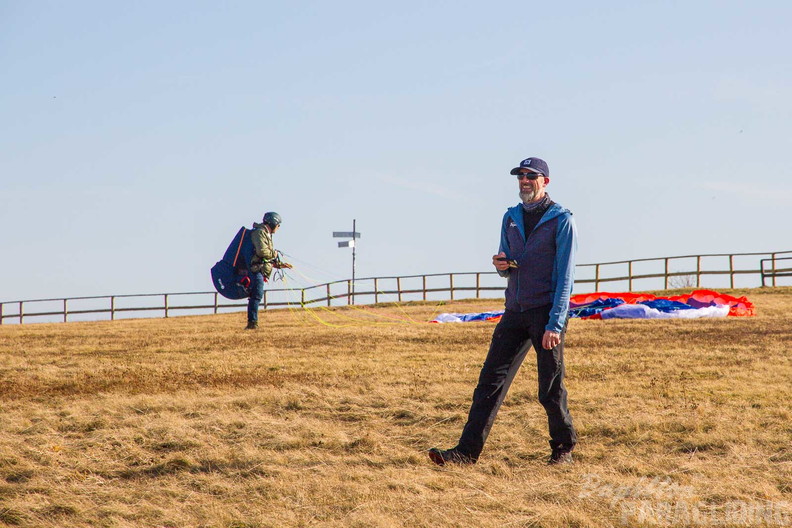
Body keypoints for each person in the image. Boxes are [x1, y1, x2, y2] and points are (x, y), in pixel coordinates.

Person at [428, 156, 578, 465]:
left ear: (545, 181)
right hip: (515, 311)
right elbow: (506, 262)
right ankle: (466, 453)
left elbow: (566, 275)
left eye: (531, 176)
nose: (524, 180)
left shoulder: (561, 220)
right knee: (488, 384)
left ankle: (563, 450)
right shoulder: (510, 217)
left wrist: (555, 322)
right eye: (521, 176)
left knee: (549, 387)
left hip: (546, 313)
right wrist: (501, 266)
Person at [246, 211, 292, 330]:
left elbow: (267, 258)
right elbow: (262, 252)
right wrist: (274, 253)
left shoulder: (266, 234)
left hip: (261, 269)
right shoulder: (259, 233)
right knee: (256, 295)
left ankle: (253, 322)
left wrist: (280, 265)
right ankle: (252, 323)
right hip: (256, 269)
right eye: (278, 225)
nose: (278, 227)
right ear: (273, 223)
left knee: (257, 295)